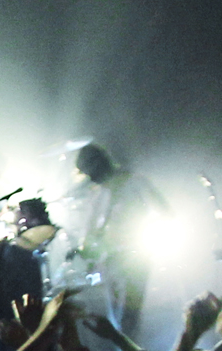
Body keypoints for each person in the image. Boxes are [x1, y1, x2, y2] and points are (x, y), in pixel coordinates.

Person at [57, 141, 161, 336]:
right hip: (111, 260)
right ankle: (125, 347)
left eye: (90, 171)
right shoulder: (98, 194)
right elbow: (91, 231)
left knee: (129, 315)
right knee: (117, 317)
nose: (91, 178)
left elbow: (163, 211)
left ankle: (131, 348)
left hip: (134, 255)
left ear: (100, 164)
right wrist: (82, 250)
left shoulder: (133, 181)